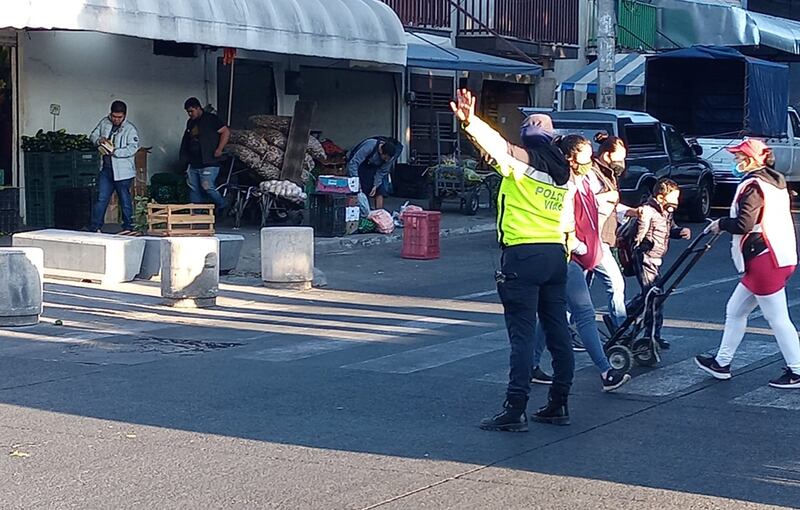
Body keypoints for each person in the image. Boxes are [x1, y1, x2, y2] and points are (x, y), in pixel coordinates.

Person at [450, 90, 575, 431]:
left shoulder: (522, 165)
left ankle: (515, 408)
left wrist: (469, 121)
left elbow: (496, 145)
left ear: (526, 140)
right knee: (558, 331)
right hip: (555, 256)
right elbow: (569, 223)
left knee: (522, 336)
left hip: (523, 254)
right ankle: (559, 403)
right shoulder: (566, 175)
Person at [529, 135, 631, 392]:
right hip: (564, 255)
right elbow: (561, 222)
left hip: (571, 254)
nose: (590, 159)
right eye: (586, 155)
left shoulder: (582, 179)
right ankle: (606, 371)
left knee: (551, 313)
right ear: (570, 158)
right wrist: (580, 246)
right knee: (584, 312)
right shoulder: (562, 184)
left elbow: (590, 208)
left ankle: (529, 365)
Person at [696, 139, 800, 388]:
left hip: (765, 258)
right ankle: (722, 362)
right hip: (778, 255)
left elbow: (743, 224)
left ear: (752, 159)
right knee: (735, 310)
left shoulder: (753, 186)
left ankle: (797, 370)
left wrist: (721, 224)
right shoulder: (775, 182)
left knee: (777, 318)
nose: (736, 161)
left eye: (739, 156)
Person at [633, 178, 691, 349]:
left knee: (654, 295)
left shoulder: (666, 212)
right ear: (660, 197)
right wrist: (642, 246)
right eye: (673, 198)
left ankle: (631, 314)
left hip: (656, 258)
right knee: (653, 296)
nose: (676, 202)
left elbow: (669, 229)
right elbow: (638, 236)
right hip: (645, 257)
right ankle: (650, 336)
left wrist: (680, 231)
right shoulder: (648, 211)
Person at [588, 132, 629, 331]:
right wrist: (608, 197)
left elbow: (613, 205)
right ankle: (620, 327)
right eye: (619, 158)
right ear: (606, 155)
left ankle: (562, 328)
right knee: (615, 283)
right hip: (593, 238)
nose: (622, 163)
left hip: (600, 237)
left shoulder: (607, 173)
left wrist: (631, 211)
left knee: (579, 291)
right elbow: (586, 201)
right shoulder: (592, 173)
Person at [88, 100, 139, 234]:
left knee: (124, 199)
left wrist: (115, 151)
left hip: (123, 171)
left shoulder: (130, 129)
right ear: (110, 114)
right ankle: (95, 226)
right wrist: (99, 140)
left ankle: (128, 226)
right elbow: (92, 135)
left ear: (124, 116)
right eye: (114, 116)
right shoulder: (104, 122)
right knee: (101, 198)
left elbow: (132, 148)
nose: (116, 120)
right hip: (106, 169)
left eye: (119, 117)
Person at [180, 97, 230, 211]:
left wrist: (219, 149)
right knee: (193, 188)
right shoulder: (190, 123)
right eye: (188, 112)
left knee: (207, 187)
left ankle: (223, 204)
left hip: (210, 161)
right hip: (193, 162)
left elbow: (225, 132)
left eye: (191, 111)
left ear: (198, 108)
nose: (189, 114)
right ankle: (197, 215)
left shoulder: (211, 119)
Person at [346, 136, 403, 210]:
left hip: (374, 169)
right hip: (361, 166)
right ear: (381, 151)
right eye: (385, 158)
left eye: (388, 159)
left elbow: (382, 171)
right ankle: (356, 214)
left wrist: (375, 185)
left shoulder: (389, 158)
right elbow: (354, 163)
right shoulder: (369, 146)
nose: (386, 160)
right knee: (358, 190)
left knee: (380, 190)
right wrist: (356, 181)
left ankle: (379, 214)